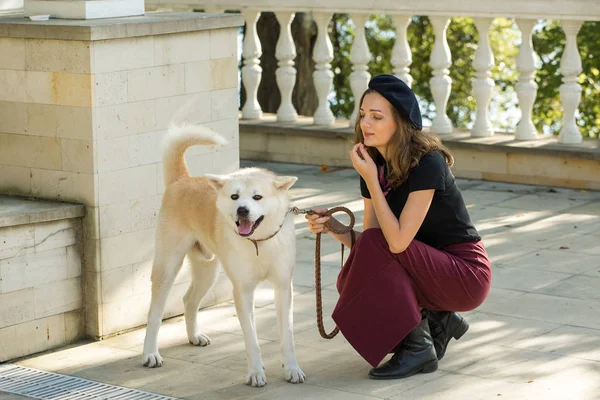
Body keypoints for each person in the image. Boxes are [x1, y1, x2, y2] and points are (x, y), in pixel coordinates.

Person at [306, 74, 492, 380]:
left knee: (365, 268)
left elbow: (395, 244)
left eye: (377, 117)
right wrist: (332, 226)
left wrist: (371, 182)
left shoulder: (428, 163)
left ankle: (418, 349)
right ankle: (438, 321)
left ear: (400, 123)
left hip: (465, 274)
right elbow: (371, 246)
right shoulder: (374, 166)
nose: (366, 124)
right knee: (353, 278)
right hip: (427, 268)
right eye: (363, 115)